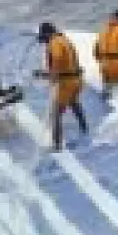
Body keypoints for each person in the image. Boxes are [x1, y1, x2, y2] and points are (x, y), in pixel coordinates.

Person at [35, 22, 89, 151]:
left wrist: (49, 74)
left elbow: (58, 58)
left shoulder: (54, 42)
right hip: (78, 80)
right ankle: (85, 129)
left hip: (67, 83)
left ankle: (57, 145)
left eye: (43, 36)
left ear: (48, 34)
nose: (44, 40)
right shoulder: (64, 39)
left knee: (56, 114)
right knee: (74, 104)